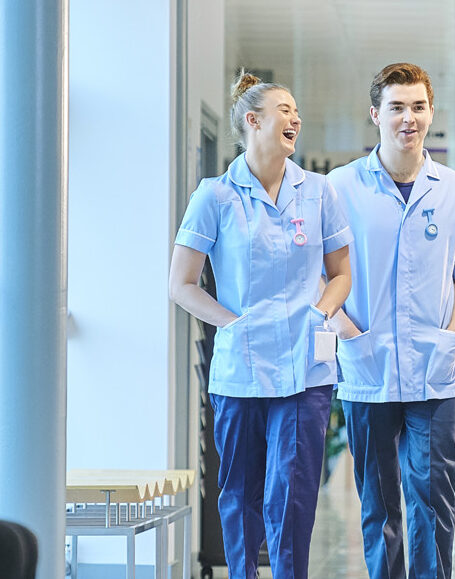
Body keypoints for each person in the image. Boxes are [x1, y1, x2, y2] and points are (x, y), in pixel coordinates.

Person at [168, 71, 352, 579]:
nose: (296, 119)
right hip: (240, 365)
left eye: (296, 111)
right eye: (284, 110)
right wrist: (233, 323)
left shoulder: (318, 192)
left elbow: (341, 275)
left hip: (305, 365)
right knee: (240, 491)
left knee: (290, 491)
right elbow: (181, 284)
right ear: (253, 121)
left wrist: (321, 314)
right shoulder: (216, 195)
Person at [327, 63, 455, 579]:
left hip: (436, 371)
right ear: (375, 113)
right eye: (397, 107)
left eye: (418, 107)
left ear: (431, 114)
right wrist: (347, 333)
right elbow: (320, 273)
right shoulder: (339, 188)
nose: (408, 118)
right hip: (367, 364)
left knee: (433, 503)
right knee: (378, 507)